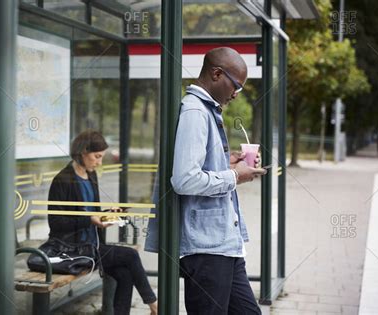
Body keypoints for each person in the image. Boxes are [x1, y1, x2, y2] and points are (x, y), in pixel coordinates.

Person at [171, 47, 266, 314]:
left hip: (225, 244)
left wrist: (229, 164)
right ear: (216, 74)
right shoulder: (195, 112)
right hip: (207, 249)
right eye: (236, 86)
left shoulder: (208, 110)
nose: (236, 94)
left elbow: (202, 168)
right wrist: (235, 176)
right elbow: (184, 180)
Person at [47, 130, 157, 315]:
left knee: (125, 274)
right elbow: (56, 223)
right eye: (97, 157)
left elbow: (92, 215)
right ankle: (154, 305)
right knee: (130, 255)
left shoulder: (91, 176)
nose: (99, 162)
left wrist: (108, 214)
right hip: (71, 248)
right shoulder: (62, 180)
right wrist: (90, 219)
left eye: (101, 157)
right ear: (82, 153)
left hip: (91, 245)